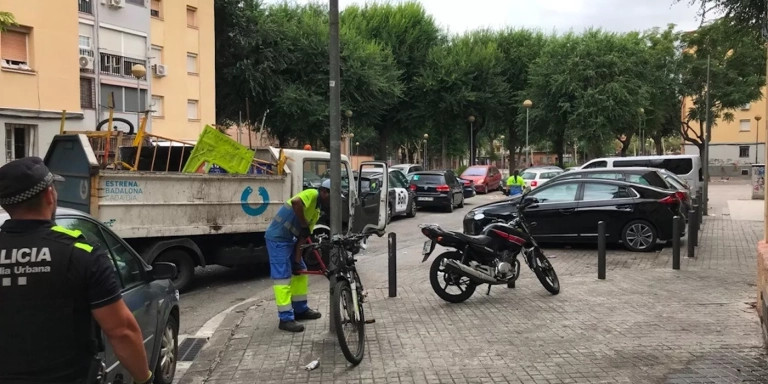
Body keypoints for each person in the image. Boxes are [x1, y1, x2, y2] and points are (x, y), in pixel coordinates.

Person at [0, 157, 152, 384]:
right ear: (50, 195)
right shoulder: (81, 253)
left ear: (6, 205)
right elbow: (121, 331)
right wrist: (144, 379)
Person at [265, 179, 331, 332]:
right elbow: (296, 202)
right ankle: (285, 319)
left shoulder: (316, 211)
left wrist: (296, 260)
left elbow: (303, 235)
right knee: (283, 278)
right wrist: (302, 224)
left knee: (300, 271)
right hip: (277, 239)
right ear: (323, 192)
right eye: (331, 195)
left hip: (290, 240)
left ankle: (300, 310)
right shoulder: (312, 194)